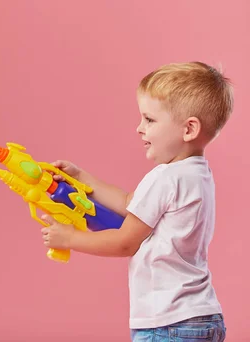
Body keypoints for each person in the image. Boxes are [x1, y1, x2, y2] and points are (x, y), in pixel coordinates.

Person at [40, 61, 233, 341]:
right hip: (202, 316)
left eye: (150, 120)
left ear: (188, 129)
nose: (139, 128)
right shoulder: (197, 175)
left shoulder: (165, 177)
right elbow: (133, 202)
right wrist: (82, 177)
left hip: (167, 322)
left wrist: (69, 238)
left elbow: (126, 241)